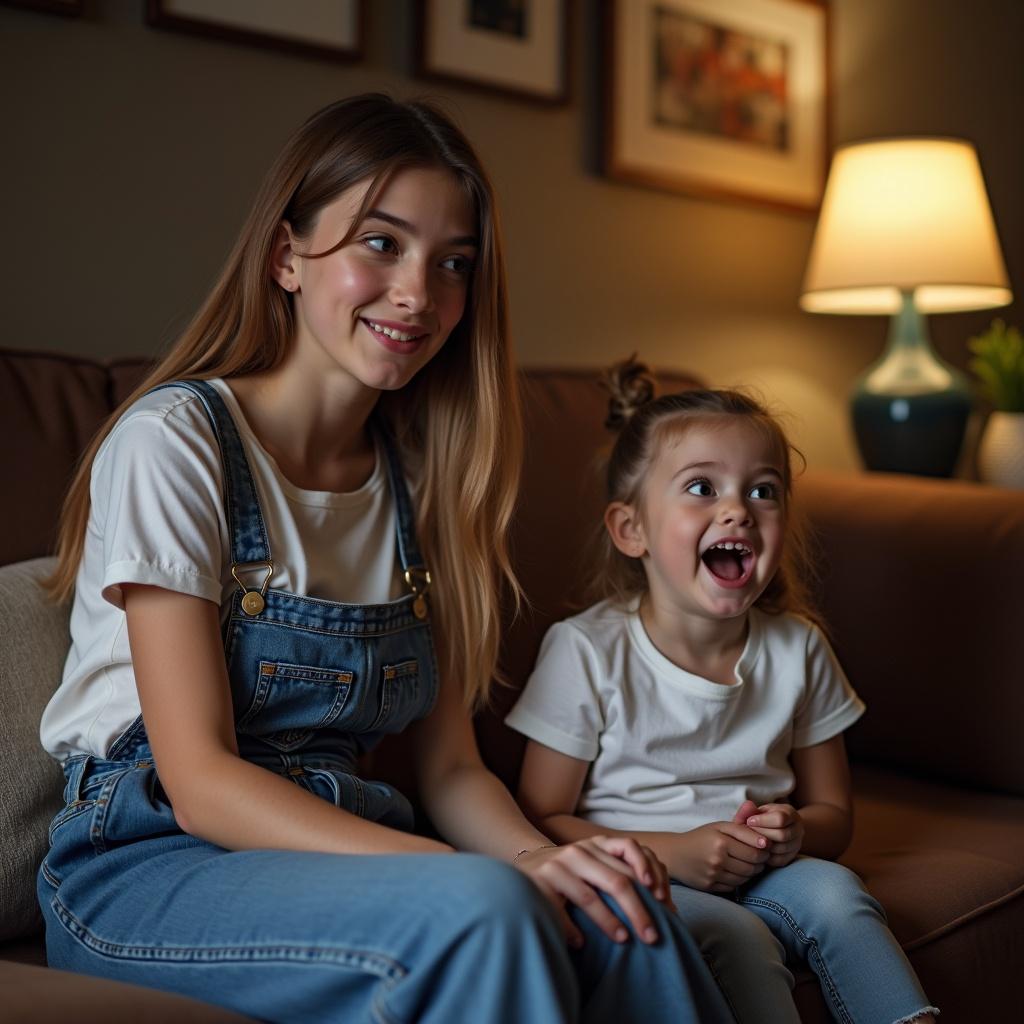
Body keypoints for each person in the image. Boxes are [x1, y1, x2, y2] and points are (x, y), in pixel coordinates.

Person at [36, 97, 733, 1024]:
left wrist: (539, 857)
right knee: (489, 907)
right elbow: (199, 783)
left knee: (619, 905)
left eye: (453, 264)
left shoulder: (421, 482)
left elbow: (449, 771)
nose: (419, 293)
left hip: (342, 849)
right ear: (287, 256)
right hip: (145, 865)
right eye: (381, 243)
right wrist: (470, 875)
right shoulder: (174, 442)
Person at [508, 357, 939, 1024]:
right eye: (702, 488)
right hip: (649, 872)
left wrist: (797, 832)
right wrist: (670, 852)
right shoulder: (587, 650)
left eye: (763, 491)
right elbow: (541, 819)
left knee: (840, 898)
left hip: (768, 869)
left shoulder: (797, 647)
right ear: (632, 530)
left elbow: (833, 812)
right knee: (738, 938)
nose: (738, 509)